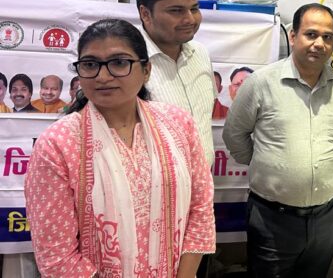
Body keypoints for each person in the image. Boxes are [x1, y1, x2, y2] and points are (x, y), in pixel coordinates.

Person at [23, 19, 215, 277]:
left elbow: (200, 210)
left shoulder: (178, 124)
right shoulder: (57, 144)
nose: (103, 76)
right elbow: (56, 256)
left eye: (119, 63)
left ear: (146, 70)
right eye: (90, 64)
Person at [223, 3, 333, 278]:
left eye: (327, 37)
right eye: (311, 34)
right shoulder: (261, 83)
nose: (319, 43)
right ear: (293, 36)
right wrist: (266, 164)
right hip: (273, 219)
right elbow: (234, 134)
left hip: (326, 217)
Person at [135, 0, 217, 166]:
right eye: (176, 11)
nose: (190, 19)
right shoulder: (128, 64)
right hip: (154, 183)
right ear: (145, 14)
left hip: (203, 180)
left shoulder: (200, 53)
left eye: (194, 9)